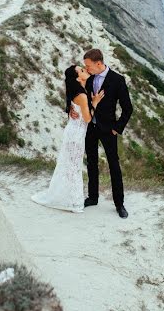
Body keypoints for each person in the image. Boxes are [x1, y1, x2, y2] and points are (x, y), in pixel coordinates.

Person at [31, 65, 104, 212]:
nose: (85, 70)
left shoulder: (77, 90)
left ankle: (67, 198)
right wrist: (94, 103)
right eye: (82, 70)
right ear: (78, 77)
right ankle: (73, 202)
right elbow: (88, 119)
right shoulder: (82, 96)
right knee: (73, 167)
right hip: (76, 135)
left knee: (70, 166)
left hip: (73, 132)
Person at [71, 48, 133, 218]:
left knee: (114, 166)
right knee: (91, 162)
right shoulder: (88, 78)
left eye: (89, 66)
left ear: (99, 63)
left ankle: (119, 204)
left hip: (109, 130)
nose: (87, 69)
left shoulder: (117, 80)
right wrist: (72, 110)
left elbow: (128, 108)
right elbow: (78, 98)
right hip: (90, 127)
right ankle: (92, 197)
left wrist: (117, 128)